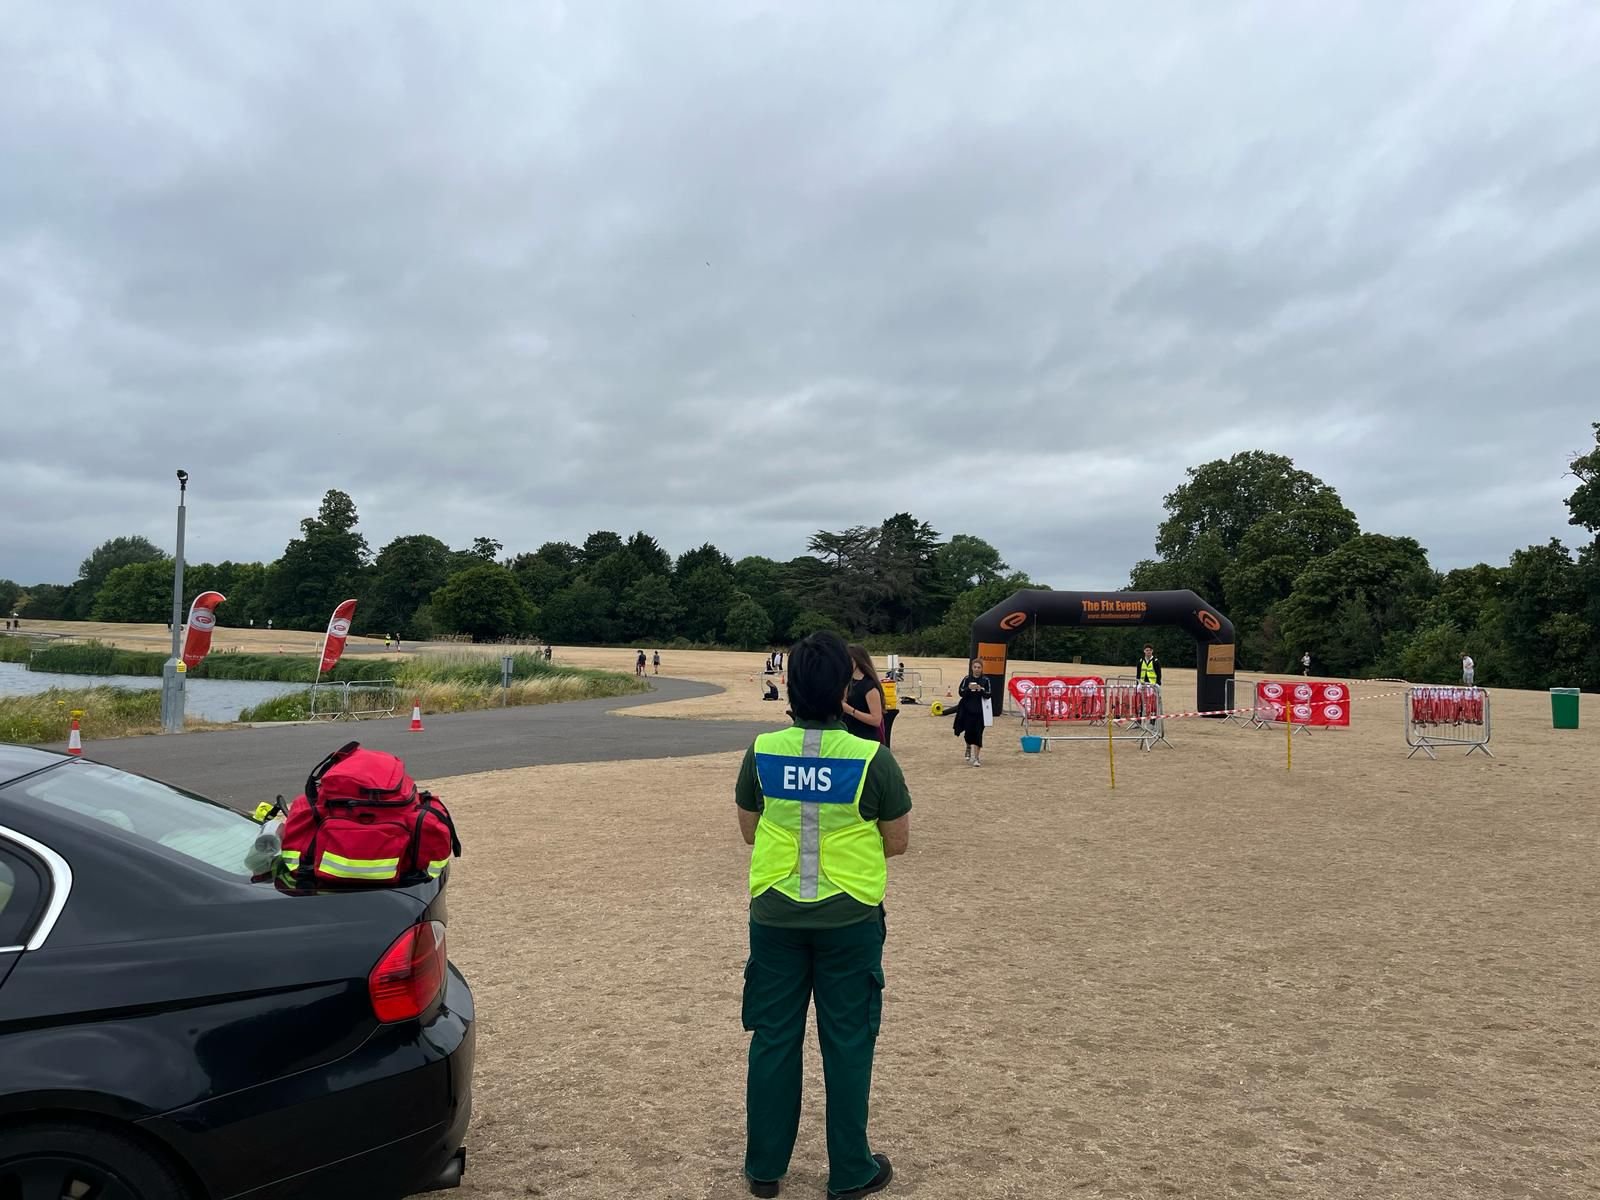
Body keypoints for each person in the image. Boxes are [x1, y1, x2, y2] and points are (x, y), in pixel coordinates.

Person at [736, 631, 909, 1199]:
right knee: (848, 1041)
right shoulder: (872, 759)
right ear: (843, 689)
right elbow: (897, 840)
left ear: (787, 684)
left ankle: (765, 1168)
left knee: (773, 1038)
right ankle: (851, 1169)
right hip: (851, 919)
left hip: (776, 915)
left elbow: (748, 830)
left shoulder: (761, 751)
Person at [841, 645, 885, 743]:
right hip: (848, 738)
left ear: (857, 661)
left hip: (865, 739)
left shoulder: (869, 686)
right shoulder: (846, 682)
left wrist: (850, 710)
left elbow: (876, 720)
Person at [952, 657, 991, 766]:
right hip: (967, 710)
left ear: (982, 668)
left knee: (978, 734)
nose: (977, 669)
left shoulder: (986, 680)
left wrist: (981, 690)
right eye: (975, 667)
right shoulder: (967, 679)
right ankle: (968, 746)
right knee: (968, 733)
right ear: (971, 668)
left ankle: (976, 758)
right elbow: (961, 692)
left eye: (979, 667)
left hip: (980, 712)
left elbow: (988, 695)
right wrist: (968, 688)